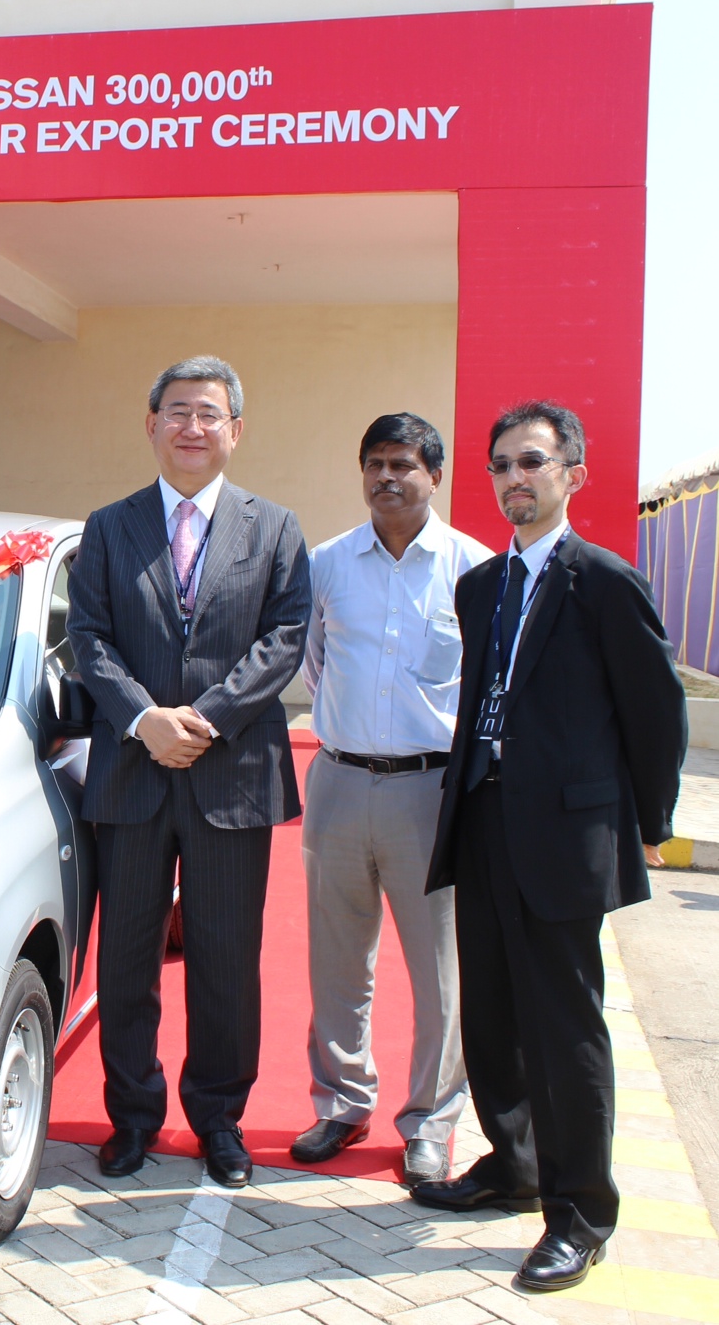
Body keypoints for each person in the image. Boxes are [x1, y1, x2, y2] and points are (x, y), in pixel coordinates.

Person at [412, 402, 684, 1292]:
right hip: (483, 820)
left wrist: (647, 823)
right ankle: (514, 1165)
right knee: (491, 1015)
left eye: (531, 461)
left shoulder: (605, 583)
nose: (513, 478)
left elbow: (656, 713)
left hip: (567, 835)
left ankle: (580, 1214)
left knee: (564, 1027)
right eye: (500, 464)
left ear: (573, 474)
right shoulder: (481, 587)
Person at [67, 355, 310, 1187]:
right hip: (132, 777)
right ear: (151, 425)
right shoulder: (109, 527)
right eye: (177, 411)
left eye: (209, 413)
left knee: (224, 962)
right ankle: (132, 1117)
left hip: (230, 774)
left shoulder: (275, 528)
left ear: (235, 430)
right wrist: (144, 720)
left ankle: (219, 1119)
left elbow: (284, 639)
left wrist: (202, 721)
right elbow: (89, 637)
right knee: (126, 962)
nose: (192, 427)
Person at [293, 413, 490, 1185]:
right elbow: (314, 663)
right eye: (374, 463)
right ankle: (342, 1102)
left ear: (434, 475)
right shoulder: (328, 564)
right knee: (338, 958)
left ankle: (430, 1123)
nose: (386, 477)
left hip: (430, 791)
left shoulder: (473, 569)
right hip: (339, 780)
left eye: (403, 464)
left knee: (440, 969)